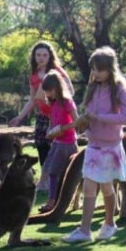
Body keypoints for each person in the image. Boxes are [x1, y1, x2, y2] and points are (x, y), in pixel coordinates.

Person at [62, 46, 126, 243]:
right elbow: (89, 114)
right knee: (89, 185)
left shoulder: (119, 88)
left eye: (99, 69)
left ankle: (109, 224)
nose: (95, 73)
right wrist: (83, 124)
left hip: (110, 146)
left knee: (107, 186)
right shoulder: (93, 87)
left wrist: (100, 117)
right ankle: (85, 230)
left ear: (110, 69)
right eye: (93, 69)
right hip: (93, 144)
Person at [8, 41, 73, 191]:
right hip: (42, 116)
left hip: (57, 116)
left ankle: (54, 181)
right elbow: (32, 100)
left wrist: (52, 95)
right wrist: (19, 117)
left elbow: (70, 92)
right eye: (38, 55)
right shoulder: (33, 75)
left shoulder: (57, 72)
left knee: (55, 148)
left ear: (50, 56)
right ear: (34, 56)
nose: (41, 58)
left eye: (44, 55)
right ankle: (45, 181)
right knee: (41, 145)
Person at [38, 71, 80, 212]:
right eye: (47, 92)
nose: (48, 94)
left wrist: (62, 129)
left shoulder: (67, 102)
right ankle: (53, 200)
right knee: (50, 170)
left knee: (58, 172)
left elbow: (77, 122)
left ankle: (53, 202)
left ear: (57, 87)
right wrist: (51, 132)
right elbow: (53, 120)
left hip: (67, 143)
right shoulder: (53, 103)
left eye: (50, 91)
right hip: (57, 142)